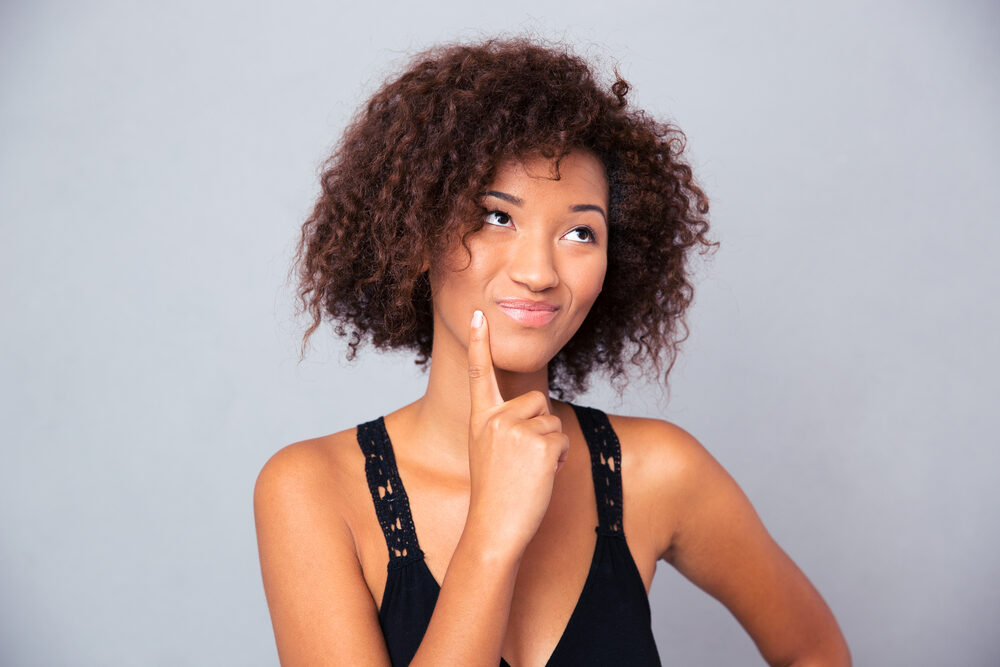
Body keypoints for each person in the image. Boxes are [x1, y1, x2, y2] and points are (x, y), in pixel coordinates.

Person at [253, 36, 851, 666]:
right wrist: (491, 533)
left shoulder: (657, 471)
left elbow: (814, 649)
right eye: (496, 216)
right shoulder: (314, 490)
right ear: (416, 231)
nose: (539, 272)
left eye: (578, 232)